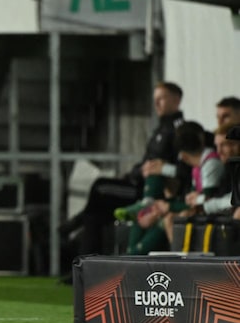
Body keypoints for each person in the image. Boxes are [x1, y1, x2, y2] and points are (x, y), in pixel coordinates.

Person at [59, 82, 189, 257]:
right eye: (155, 99)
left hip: (147, 192)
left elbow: (182, 168)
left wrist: (161, 170)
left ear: (176, 100)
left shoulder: (180, 130)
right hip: (138, 182)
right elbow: (145, 164)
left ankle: (74, 224)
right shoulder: (160, 129)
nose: (157, 103)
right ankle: (84, 264)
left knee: (100, 187)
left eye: (161, 99)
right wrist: (137, 172)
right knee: (94, 214)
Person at [130, 121, 223, 252]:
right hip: (191, 208)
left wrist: (169, 206)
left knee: (169, 219)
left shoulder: (210, 162)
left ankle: (180, 263)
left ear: (183, 157)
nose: (220, 151)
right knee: (153, 216)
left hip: (210, 213)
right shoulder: (197, 167)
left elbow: (205, 199)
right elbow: (192, 198)